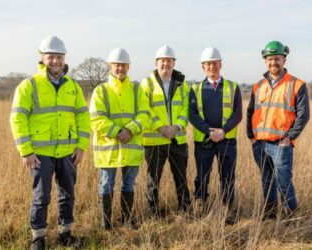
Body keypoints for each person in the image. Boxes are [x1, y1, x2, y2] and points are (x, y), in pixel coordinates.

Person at [9, 35, 90, 249]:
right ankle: (38, 237)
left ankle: (66, 234)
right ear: (42, 58)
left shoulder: (72, 86)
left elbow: (83, 116)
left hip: (67, 152)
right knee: (41, 196)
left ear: (64, 59)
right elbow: (17, 118)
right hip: (40, 153)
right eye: (51, 57)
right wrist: (26, 151)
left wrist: (81, 146)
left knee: (68, 195)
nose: (55, 61)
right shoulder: (29, 85)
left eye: (59, 57)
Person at [246, 41, 310, 220]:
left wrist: (289, 138)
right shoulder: (258, 86)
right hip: (259, 143)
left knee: (283, 182)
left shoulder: (297, 84)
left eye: (277, 59)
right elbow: (251, 111)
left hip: (281, 144)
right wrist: (251, 136)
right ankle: (270, 216)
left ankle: (291, 219)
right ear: (265, 61)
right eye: (270, 59)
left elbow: (303, 115)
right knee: (267, 181)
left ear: (284, 60)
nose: (273, 62)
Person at [90, 48, 150, 230]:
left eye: (123, 65)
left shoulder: (137, 89)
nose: (120, 69)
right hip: (109, 149)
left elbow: (145, 114)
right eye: (117, 65)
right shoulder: (101, 91)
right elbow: (96, 118)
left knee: (129, 184)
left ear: (128, 67)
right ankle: (106, 223)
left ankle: (125, 220)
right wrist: (118, 132)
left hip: (131, 146)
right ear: (110, 66)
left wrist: (130, 131)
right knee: (107, 184)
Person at [189, 47, 242, 224]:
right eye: (208, 63)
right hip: (204, 141)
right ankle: (200, 205)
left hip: (227, 141)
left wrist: (223, 131)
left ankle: (228, 210)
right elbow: (193, 114)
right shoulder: (195, 88)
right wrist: (209, 131)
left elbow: (237, 114)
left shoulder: (233, 87)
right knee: (202, 175)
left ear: (221, 64)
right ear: (203, 66)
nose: (212, 66)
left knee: (227, 175)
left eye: (215, 63)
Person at [140, 45, 191, 216]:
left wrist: (176, 127)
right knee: (153, 180)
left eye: (169, 61)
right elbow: (145, 110)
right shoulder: (146, 84)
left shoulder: (182, 85)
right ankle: (152, 213)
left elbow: (186, 110)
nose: (166, 64)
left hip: (177, 139)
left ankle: (186, 210)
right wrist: (161, 128)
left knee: (181, 178)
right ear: (156, 63)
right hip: (155, 140)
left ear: (174, 63)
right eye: (162, 61)